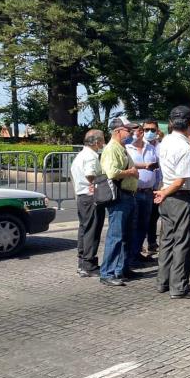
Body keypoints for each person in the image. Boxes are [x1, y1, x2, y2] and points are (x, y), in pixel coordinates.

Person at [154, 106, 190, 298]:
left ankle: (163, 281)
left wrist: (164, 192)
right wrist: (165, 192)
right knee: (182, 242)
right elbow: (180, 180)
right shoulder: (184, 147)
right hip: (180, 196)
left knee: (167, 240)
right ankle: (179, 286)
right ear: (189, 124)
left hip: (168, 196)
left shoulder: (164, 143)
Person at [99, 116, 140, 287]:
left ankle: (121, 268)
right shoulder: (112, 149)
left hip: (128, 195)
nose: (131, 133)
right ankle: (107, 272)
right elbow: (111, 172)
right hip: (120, 196)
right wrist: (131, 172)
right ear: (117, 131)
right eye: (127, 130)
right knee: (116, 236)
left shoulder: (121, 147)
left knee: (126, 235)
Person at [71, 129, 106, 278]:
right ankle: (89, 265)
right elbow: (90, 174)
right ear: (97, 142)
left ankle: (83, 262)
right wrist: (102, 179)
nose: (104, 143)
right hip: (90, 197)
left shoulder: (81, 155)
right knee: (92, 231)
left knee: (84, 230)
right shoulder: (91, 156)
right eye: (103, 140)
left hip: (82, 196)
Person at [126, 123, 159, 264]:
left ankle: (137, 251)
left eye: (140, 131)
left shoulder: (151, 148)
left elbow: (158, 169)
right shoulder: (127, 149)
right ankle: (130, 256)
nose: (138, 134)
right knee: (132, 224)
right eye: (145, 130)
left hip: (149, 191)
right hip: (134, 191)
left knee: (144, 224)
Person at [143, 119, 162, 255]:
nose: (149, 132)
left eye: (152, 130)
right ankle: (138, 245)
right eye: (146, 130)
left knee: (154, 216)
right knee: (142, 218)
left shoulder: (161, 146)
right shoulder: (138, 145)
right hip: (143, 187)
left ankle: (152, 242)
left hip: (158, 187)